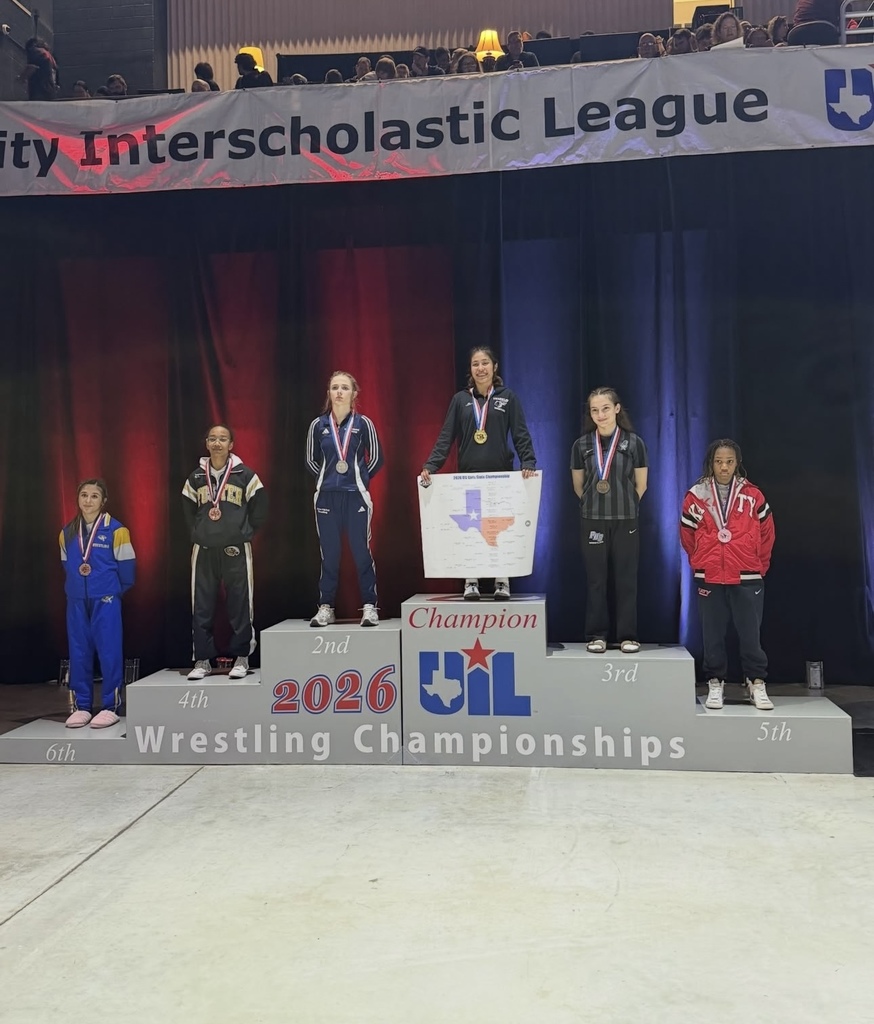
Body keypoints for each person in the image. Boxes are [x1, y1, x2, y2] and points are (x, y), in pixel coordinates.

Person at [422, 347, 537, 601]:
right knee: (471, 529)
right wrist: (431, 465)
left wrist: (527, 460)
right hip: (469, 478)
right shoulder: (460, 400)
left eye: (485, 363)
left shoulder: (508, 398)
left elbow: (520, 433)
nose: (481, 368)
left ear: (494, 367)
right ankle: (471, 581)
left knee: (498, 529)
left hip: (500, 477)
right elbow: (446, 436)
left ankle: (501, 581)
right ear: (471, 370)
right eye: (476, 364)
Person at [680, 439, 775, 711]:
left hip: (747, 574)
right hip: (710, 576)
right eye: (719, 461)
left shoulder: (753, 495)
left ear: (737, 463)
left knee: (750, 635)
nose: (724, 467)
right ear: (711, 462)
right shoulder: (696, 495)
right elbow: (687, 535)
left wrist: (760, 566)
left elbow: (768, 533)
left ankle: (755, 681)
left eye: (729, 462)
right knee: (712, 635)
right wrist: (700, 560)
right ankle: (715, 681)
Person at [182, 424, 268, 680]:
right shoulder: (196, 477)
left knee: (240, 603)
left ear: (231, 444)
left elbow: (260, 507)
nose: (217, 443)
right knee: (202, 606)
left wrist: (244, 533)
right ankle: (202, 659)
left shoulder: (245, 475)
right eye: (212, 439)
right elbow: (186, 511)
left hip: (236, 549)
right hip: (204, 550)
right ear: (206, 444)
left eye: (223, 439)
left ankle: (241, 657)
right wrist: (197, 533)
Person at [570, 387, 648, 654]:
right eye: (595, 410)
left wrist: (625, 504)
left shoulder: (634, 443)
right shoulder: (581, 445)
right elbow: (579, 486)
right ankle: (597, 635)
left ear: (616, 409)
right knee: (596, 580)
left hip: (626, 520)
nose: (600, 415)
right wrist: (596, 504)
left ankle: (628, 635)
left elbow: (641, 485)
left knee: (626, 579)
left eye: (605, 408)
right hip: (593, 520)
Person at [306, 372, 384, 627]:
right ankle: (326, 606)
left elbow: (376, 459)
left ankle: (370, 605)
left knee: (361, 552)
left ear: (354, 394)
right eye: (334, 387)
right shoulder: (318, 425)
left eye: (344, 388)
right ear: (328, 393)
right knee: (329, 554)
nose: (339, 392)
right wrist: (327, 480)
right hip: (326, 499)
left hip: (356, 497)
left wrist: (357, 477)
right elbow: (310, 460)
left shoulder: (364, 424)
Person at [59, 479, 136, 729]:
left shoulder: (117, 530)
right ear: (77, 499)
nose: (88, 501)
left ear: (103, 501)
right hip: (76, 601)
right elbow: (66, 567)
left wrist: (110, 592)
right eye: (84, 495)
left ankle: (110, 705)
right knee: (78, 652)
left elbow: (127, 571)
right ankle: (82, 705)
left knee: (109, 650)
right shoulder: (66, 533)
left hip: (106, 600)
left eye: (94, 496)